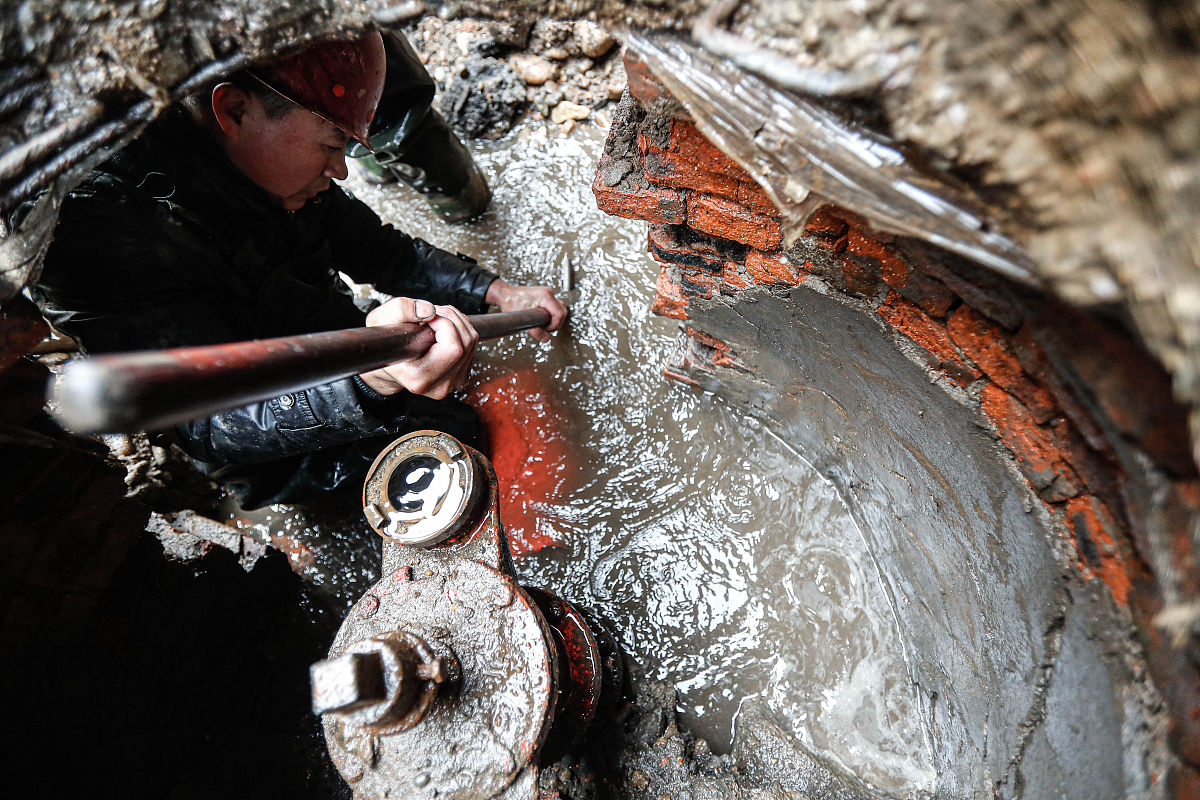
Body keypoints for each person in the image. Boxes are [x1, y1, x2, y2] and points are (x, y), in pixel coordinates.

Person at [29, 31, 567, 509]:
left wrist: (494, 291)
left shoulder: (279, 167)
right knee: (469, 469)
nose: (340, 171)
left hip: (337, 340)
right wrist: (372, 379)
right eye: (331, 145)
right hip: (277, 451)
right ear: (236, 111)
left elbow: (382, 253)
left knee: (471, 411)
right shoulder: (92, 235)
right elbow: (206, 422)